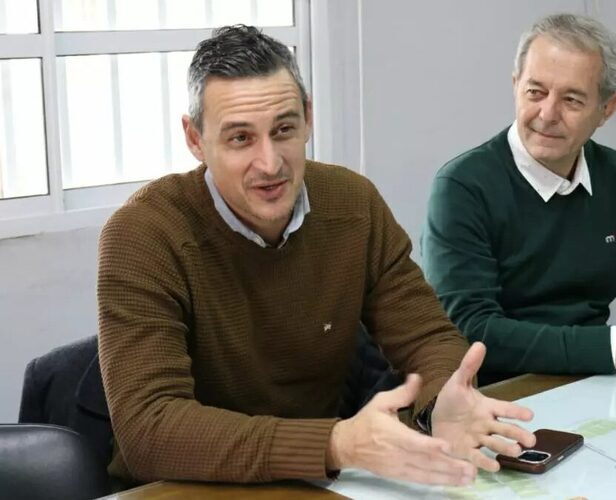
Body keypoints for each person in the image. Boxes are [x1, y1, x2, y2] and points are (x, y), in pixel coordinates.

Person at [97, 25, 535, 487]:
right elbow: (149, 429)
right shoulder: (143, 234)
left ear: (308, 118)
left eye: (284, 129)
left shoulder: (353, 203)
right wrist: (335, 443)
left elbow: (427, 336)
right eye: (240, 139)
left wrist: (441, 398)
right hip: (179, 488)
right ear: (194, 138)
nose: (270, 163)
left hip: (311, 481)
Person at [421, 13, 616, 385]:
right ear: (515, 86)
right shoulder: (463, 187)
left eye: (572, 100)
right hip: (500, 395)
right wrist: (615, 348)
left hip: (594, 384)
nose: (547, 114)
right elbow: (471, 330)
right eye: (535, 92)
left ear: (606, 110)